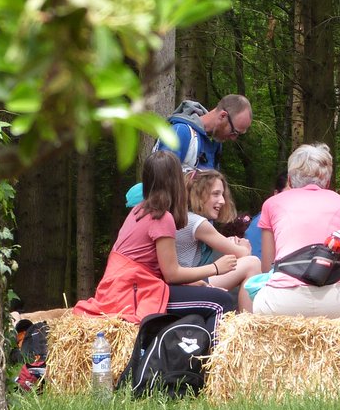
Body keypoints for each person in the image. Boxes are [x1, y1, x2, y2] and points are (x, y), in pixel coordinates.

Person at [75, 152, 238, 336]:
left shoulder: (139, 210)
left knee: (206, 295)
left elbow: (158, 269)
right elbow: (172, 274)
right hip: (133, 294)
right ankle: (208, 363)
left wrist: (191, 283)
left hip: (122, 289)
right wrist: (215, 268)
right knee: (221, 302)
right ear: (176, 181)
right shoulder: (162, 217)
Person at [253, 144, 340, 317]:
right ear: (326, 182)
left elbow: (267, 268)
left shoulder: (271, 204)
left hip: (284, 303)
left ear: (289, 180)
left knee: (257, 298)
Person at [124, 95, 253, 206]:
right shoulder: (181, 132)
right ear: (223, 116)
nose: (234, 138)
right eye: (234, 132)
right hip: (176, 222)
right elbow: (158, 183)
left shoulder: (215, 143)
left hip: (198, 223)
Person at [179, 169, 261, 303]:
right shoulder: (197, 223)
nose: (222, 201)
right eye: (216, 194)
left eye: (222, 195)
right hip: (185, 286)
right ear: (198, 195)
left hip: (186, 283)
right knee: (252, 263)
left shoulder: (185, 218)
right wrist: (244, 246)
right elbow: (243, 253)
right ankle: (248, 321)